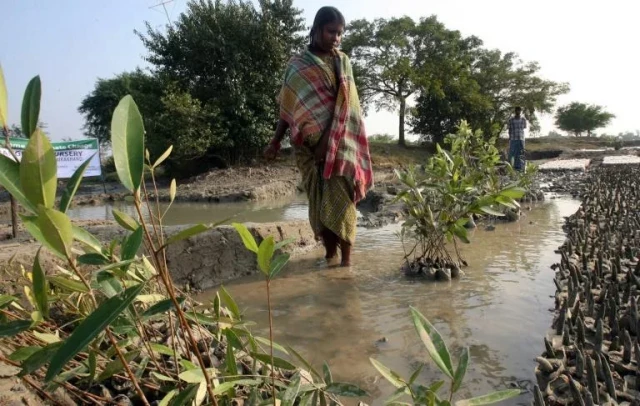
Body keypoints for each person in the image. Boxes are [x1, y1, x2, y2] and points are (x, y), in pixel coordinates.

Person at [264, 6, 373, 267]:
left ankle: (346, 265)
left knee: (343, 205)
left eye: (340, 33)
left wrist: (328, 143)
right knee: (321, 206)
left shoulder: (341, 62)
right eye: (331, 31)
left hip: (342, 145)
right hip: (308, 152)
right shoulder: (297, 65)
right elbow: (287, 109)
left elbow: (348, 106)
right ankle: (329, 257)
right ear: (316, 29)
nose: (336, 38)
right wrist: (275, 141)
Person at [507, 106, 527, 171]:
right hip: (513, 138)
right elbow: (509, 129)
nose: (518, 111)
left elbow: (524, 127)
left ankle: (521, 167)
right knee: (512, 153)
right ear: (515, 111)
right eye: (517, 110)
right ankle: (512, 167)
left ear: (521, 111)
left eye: (519, 110)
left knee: (521, 152)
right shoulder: (511, 119)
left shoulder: (523, 119)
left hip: (521, 138)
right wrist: (509, 138)